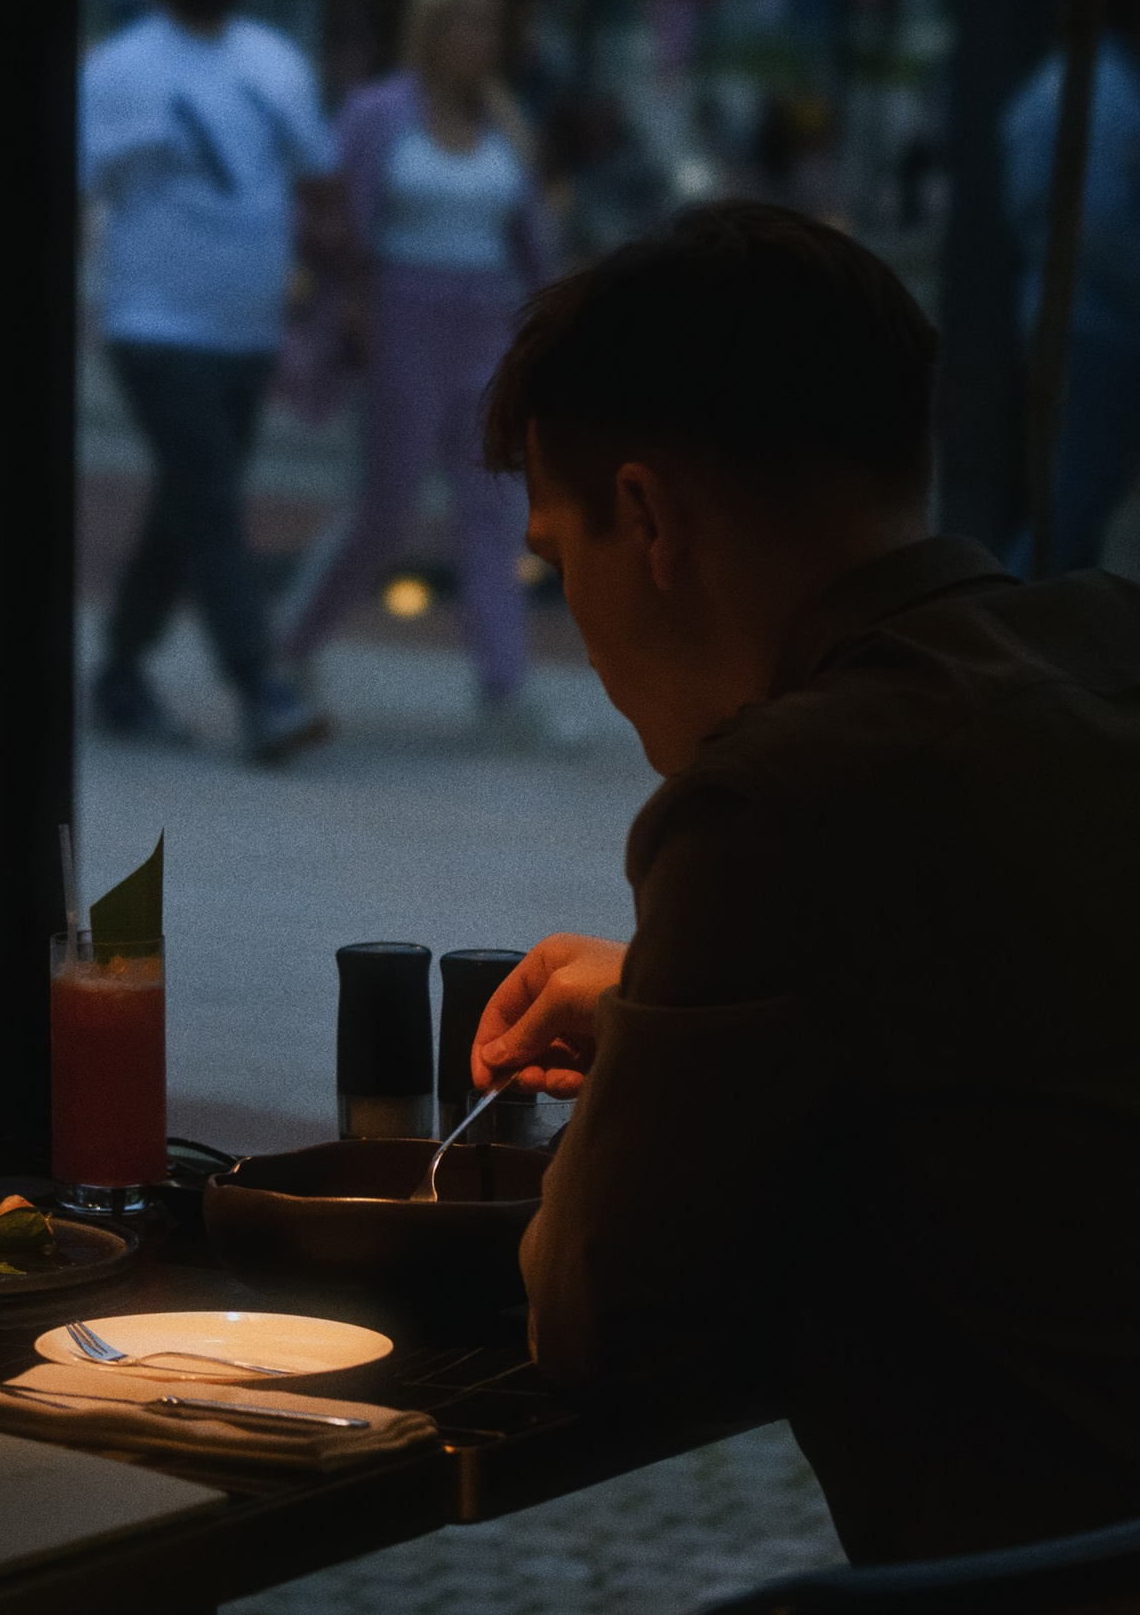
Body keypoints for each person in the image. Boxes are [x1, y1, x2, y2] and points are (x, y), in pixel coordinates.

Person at [469, 202, 1140, 1564]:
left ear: (648, 516)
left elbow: (595, 1314)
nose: (577, 622)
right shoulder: (1110, 650)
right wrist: (681, 999)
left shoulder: (776, 799)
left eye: (558, 553)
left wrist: (674, 987)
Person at [271, 0, 552, 750]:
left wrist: (555, 321)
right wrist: (348, 298)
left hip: (485, 320)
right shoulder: (378, 114)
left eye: (492, 24)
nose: (481, 40)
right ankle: (291, 646)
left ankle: (504, 689)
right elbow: (331, 214)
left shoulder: (505, 121)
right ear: (430, 31)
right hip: (402, 315)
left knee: (492, 509)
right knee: (386, 507)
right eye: (465, 22)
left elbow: (531, 242)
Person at [81, 0, 338, 762]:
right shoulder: (120, 71)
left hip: (248, 331)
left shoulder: (275, 65)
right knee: (214, 499)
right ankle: (259, 684)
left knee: (189, 502)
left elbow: (319, 183)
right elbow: (76, 189)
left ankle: (119, 668)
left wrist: (343, 296)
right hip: (153, 324)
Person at [1000, 0, 1140, 575]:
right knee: (1073, 508)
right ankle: (1014, 630)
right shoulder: (1102, 92)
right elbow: (1101, 225)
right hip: (1096, 323)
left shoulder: (1069, 86)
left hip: (1075, 315)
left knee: (1075, 505)